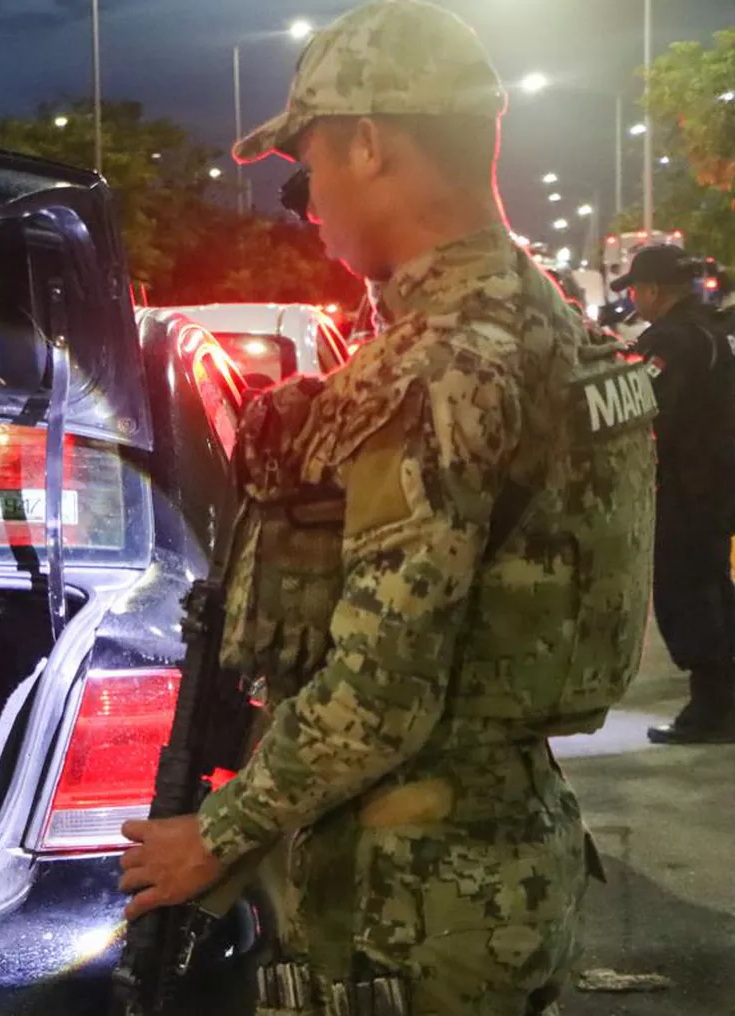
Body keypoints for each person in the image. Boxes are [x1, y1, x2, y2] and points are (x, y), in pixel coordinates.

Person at [116, 3, 655, 1014]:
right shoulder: (543, 326)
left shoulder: (442, 364)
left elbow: (380, 688)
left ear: (368, 141)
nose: (307, 200)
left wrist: (213, 841)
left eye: (312, 162)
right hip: (497, 850)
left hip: (411, 899)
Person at [615, 245, 735, 743]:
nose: (633, 299)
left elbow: (644, 409)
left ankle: (710, 709)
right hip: (718, 482)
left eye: (636, 290)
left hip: (687, 487)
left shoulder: (671, 340)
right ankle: (722, 697)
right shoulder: (714, 332)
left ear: (653, 291)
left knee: (684, 592)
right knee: (712, 586)